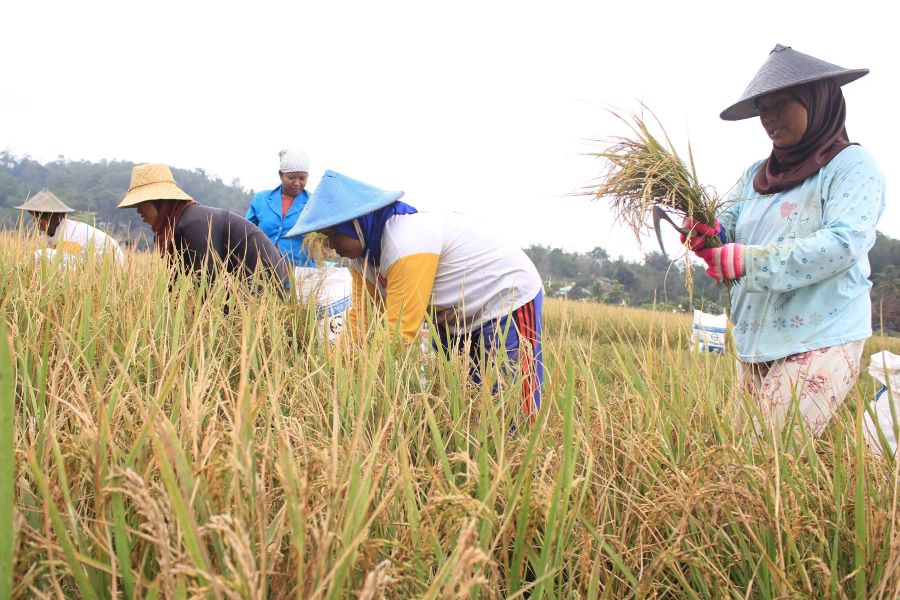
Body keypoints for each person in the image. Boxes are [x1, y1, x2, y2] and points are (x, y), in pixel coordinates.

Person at [685, 44, 885, 436]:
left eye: (782, 104)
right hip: (756, 338)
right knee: (741, 452)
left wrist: (748, 261)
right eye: (763, 108)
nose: (770, 117)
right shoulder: (756, 175)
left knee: (768, 453)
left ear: (818, 101)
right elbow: (729, 224)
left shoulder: (852, 167)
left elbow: (844, 244)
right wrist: (709, 233)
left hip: (822, 336)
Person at [284, 170, 545, 417]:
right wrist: (335, 371)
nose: (331, 246)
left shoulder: (404, 241)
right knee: (457, 400)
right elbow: (360, 320)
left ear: (356, 224)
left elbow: (399, 333)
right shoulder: (361, 259)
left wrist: (362, 386)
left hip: (504, 297)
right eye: (325, 237)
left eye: (333, 235)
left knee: (506, 401)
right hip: (451, 316)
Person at [118, 163, 289, 296]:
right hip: (239, 285)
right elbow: (178, 280)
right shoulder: (174, 228)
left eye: (141, 204)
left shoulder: (193, 224)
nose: (139, 211)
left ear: (159, 202)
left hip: (263, 285)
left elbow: (207, 283)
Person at [245, 149, 315, 268]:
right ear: (281, 175)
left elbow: (326, 236)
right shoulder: (261, 199)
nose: (297, 183)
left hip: (298, 271)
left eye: (302, 178)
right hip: (261, 268)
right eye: (291, 178)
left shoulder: (313, 204)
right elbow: (246, 231)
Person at [17, 190, 124, 266]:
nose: (38, 221)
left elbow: (70, 263)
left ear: (60, 216)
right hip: (89, 264)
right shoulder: (50, 233)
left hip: (110, 265)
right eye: (36, 217)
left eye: (43, 217)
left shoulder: (70, 233)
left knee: (40, 255)